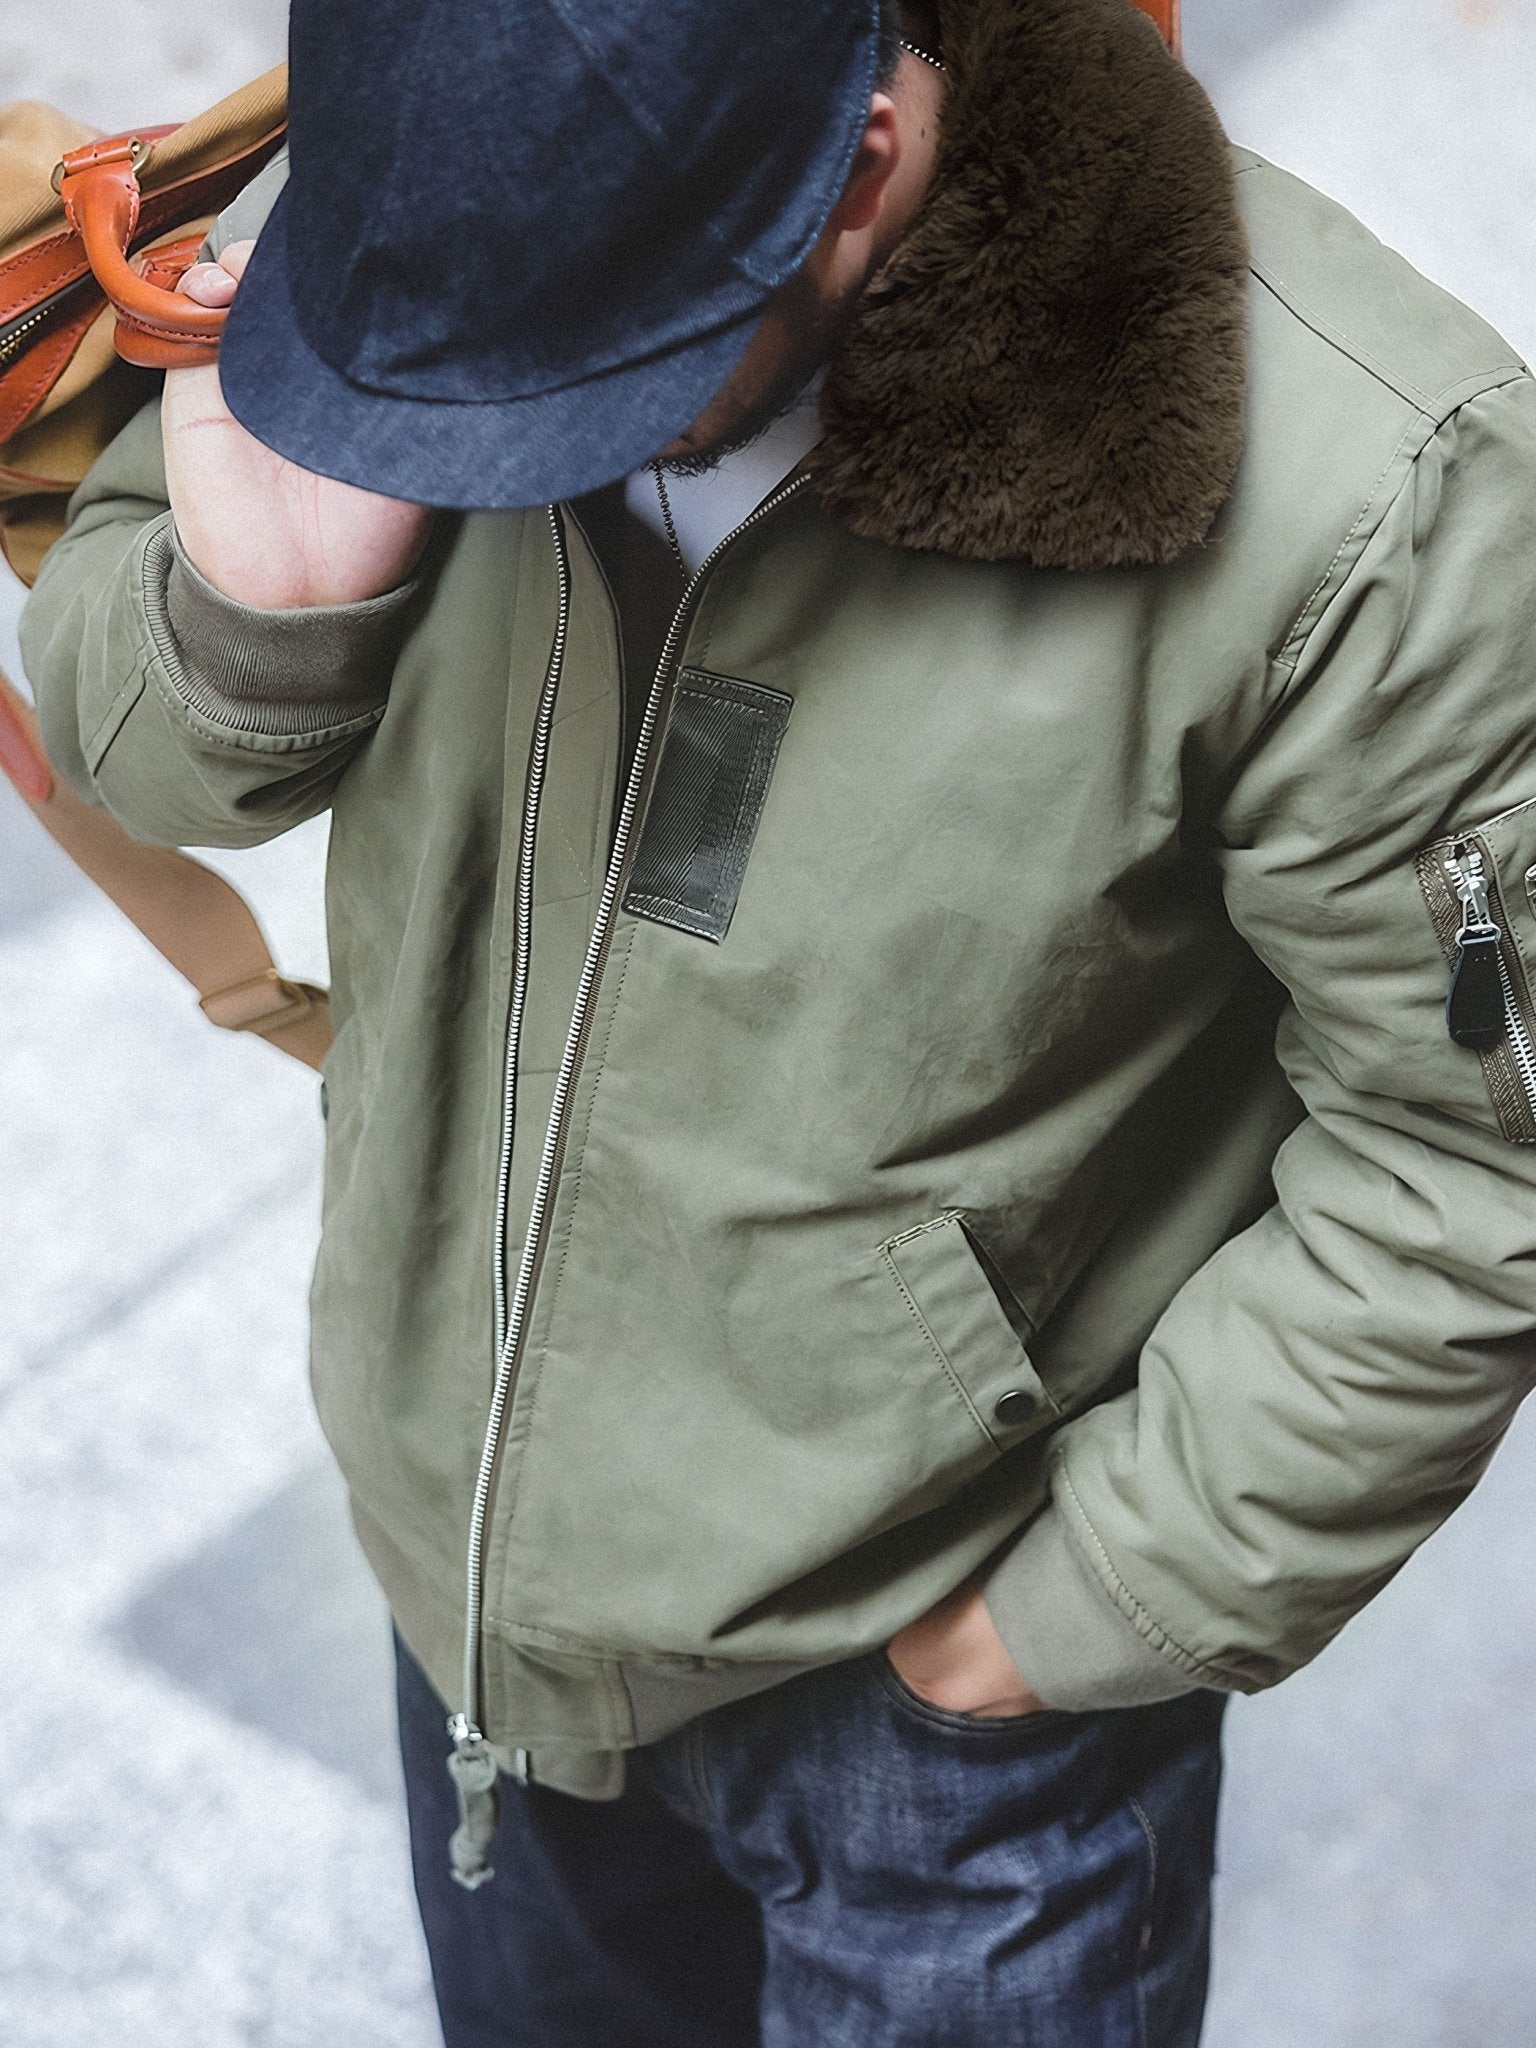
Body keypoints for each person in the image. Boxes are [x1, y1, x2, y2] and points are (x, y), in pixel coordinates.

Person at [21, 0, 1536, 2039]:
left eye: (597, 385)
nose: (501, 445)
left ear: (857, 172)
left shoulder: (1373, 498)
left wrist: (1087, 1609)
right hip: (470, 1606)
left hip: (946, 1740)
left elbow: (1473, 1160)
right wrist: (260, 597)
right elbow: (144, 749)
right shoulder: (409, 203)